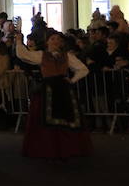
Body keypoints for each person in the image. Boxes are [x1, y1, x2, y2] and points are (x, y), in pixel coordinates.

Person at [15, 31, 91, 160]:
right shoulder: (41, 55)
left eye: (58, 39)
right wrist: (18, 41)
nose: (56, 41)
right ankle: (48, 148)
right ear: (47, 42)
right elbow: (23, 55)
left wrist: (72, 80)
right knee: (45, 119)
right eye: (52, 39)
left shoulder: (67, 56)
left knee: (67, 117)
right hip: (47, 90)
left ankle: (68, 148)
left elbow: (83, 69)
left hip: (63, 90)